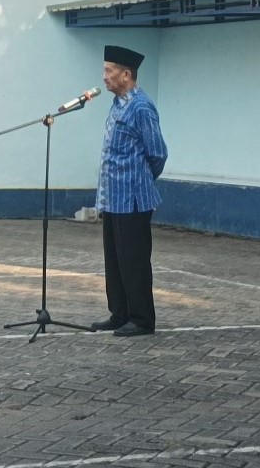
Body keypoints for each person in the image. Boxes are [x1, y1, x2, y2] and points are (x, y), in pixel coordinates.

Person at [90, 45, 168, 337]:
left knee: (134, 261)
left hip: (133, 199)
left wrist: (140, 180)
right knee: (115, 260)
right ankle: (120, 313)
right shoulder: (117, 104)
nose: (104, 76)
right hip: (112, 198)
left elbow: (158, 153)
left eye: (109, 71)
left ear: (126, 74)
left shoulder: (141, 107)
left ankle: (142, 319)